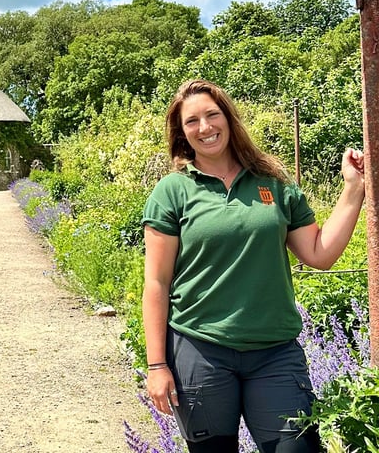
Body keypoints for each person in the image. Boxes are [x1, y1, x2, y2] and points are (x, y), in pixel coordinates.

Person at [141, 79, 365, 453]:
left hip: (274, 352)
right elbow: (157, 284)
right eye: (192, 121)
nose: (205, 127)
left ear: (228, 118)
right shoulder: (173, 191)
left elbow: (319, 254)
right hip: (201, 349)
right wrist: (156, 366)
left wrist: (353, 189)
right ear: (181, 132)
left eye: (212, 115)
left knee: (298, 449)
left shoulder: (273, 183)